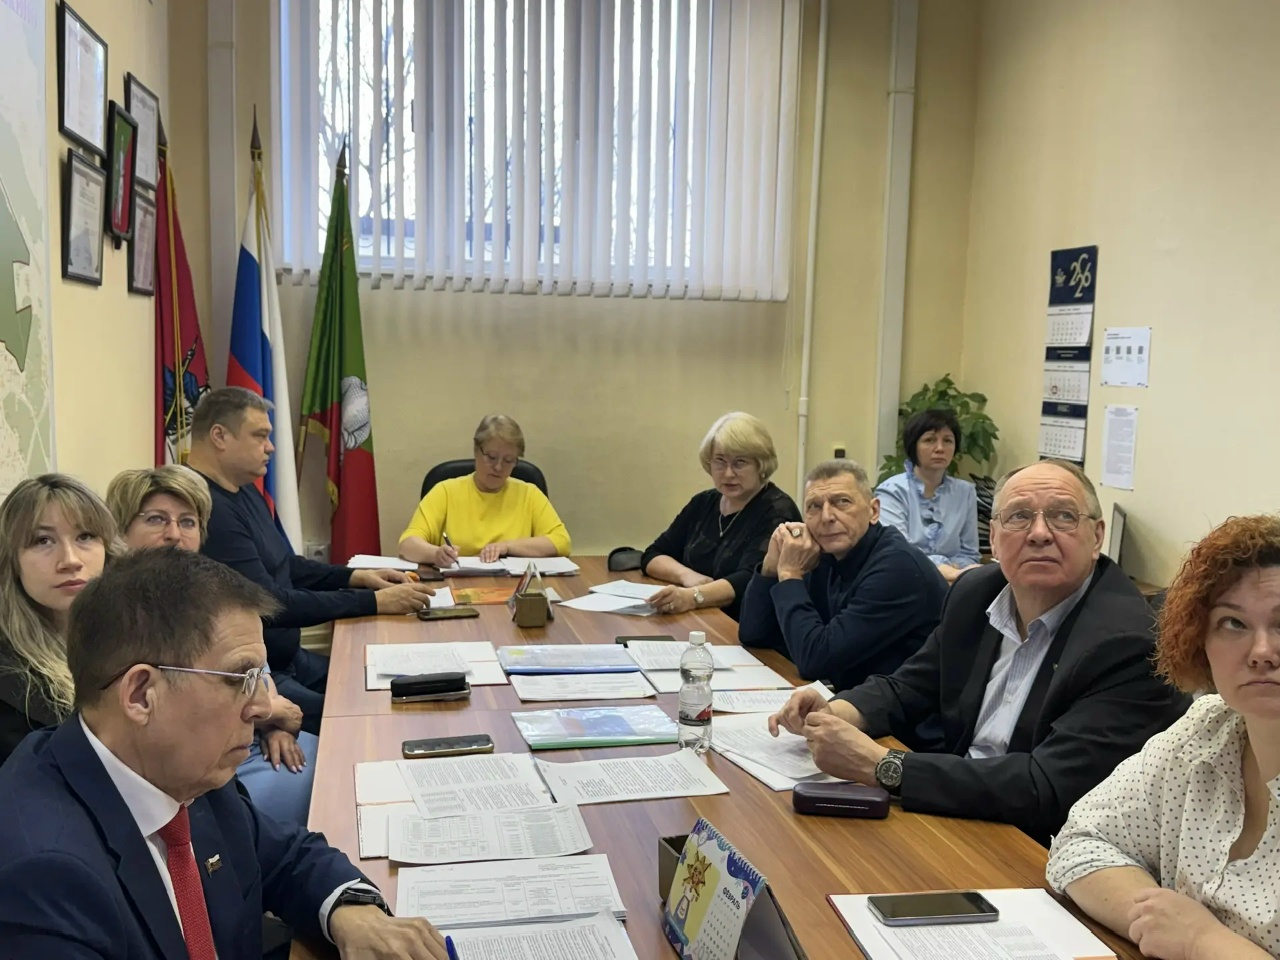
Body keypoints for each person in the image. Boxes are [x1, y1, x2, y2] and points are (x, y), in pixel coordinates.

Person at [0, 547, 449, 959]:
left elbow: (286, 855)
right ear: (140, 695)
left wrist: (353, 912)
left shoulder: (181, 769)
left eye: (259, 677)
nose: (262, 706)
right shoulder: (43, 878)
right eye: (240, 678)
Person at [769, 459, 1189, 844]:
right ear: (994, 537)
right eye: (1019, 516)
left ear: (1096, 537)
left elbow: (1047, 787)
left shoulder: (1129, 643)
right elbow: (910, 685)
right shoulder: (977, 593)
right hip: (960, 814)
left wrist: (883, 765)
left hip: (1041, 847)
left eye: (1063, 516)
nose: (1039, 533)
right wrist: (837, 711)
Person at [1047, 515, 1280, 959]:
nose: (1262, 652)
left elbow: (1194, 938)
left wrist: (1200, 941)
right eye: (1233, 623)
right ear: (1200, 641)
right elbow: (1081, 842)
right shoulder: (1207, 729)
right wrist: (1159, 923)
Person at [188, 387, 436, 733]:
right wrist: (374, 602)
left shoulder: (242, 488)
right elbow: (269, 604)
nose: (271, 447)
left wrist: (355, 577)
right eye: (260, 436)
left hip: (290, 658)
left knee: (393, 683)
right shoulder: (206, 510)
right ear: (219, 436)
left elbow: (287, 565)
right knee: (370, 717)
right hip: (259, 678)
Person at [106, 465, 318, 826]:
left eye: (187, 522)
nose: (174, 535)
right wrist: (272, 713)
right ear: (121, 532)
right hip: (194, 780)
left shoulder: (214, 597)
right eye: (157, 520)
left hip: (253, 742)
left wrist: (276, 726)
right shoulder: (113, 614)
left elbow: (258, 674)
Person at [738, 460, 947, 692]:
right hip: (851, 696)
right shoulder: (820, 552)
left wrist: (789, 574)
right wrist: (770, 568)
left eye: (842, 502)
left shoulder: (898, 567)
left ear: (874, 511)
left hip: (907, 709)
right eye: (814, 506)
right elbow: (753, 634)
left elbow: (814, 660)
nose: (827, 517)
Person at [0, 475, 124, 762]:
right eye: (43, 541)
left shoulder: (141, 637)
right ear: (12, 561)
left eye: (85, 536)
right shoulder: (8, 677)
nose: (70, 560)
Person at [640, 412, 800, 621]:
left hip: (746, 625)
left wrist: (693, 596)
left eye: (740, 462)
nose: (728, 473)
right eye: (720, 461)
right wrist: (687, 576)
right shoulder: (703, 503)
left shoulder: (778, 510)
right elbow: (654, 554)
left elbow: (750, 579)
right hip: (699, 619)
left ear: (761, 464)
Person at [398, 414, 571, 566]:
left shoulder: (529, 494)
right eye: (492, 457)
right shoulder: (445, 492)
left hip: (513, 586)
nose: (498, 467)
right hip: (456, 584)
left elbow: (562, 541)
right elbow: (407, 544)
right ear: (476, 451)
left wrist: (506, 547)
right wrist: (435, 554)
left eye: (508, 460)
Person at [876, 408, 981, 583]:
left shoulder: (965, 492)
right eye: (929, 440)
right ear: (913, 446)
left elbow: (970, 553)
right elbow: (900, 553)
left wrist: (952, 573)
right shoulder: (892, 491)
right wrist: (947, 570)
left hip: (954, 583)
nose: (940, 448)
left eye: (947, 440)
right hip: (904, 582)